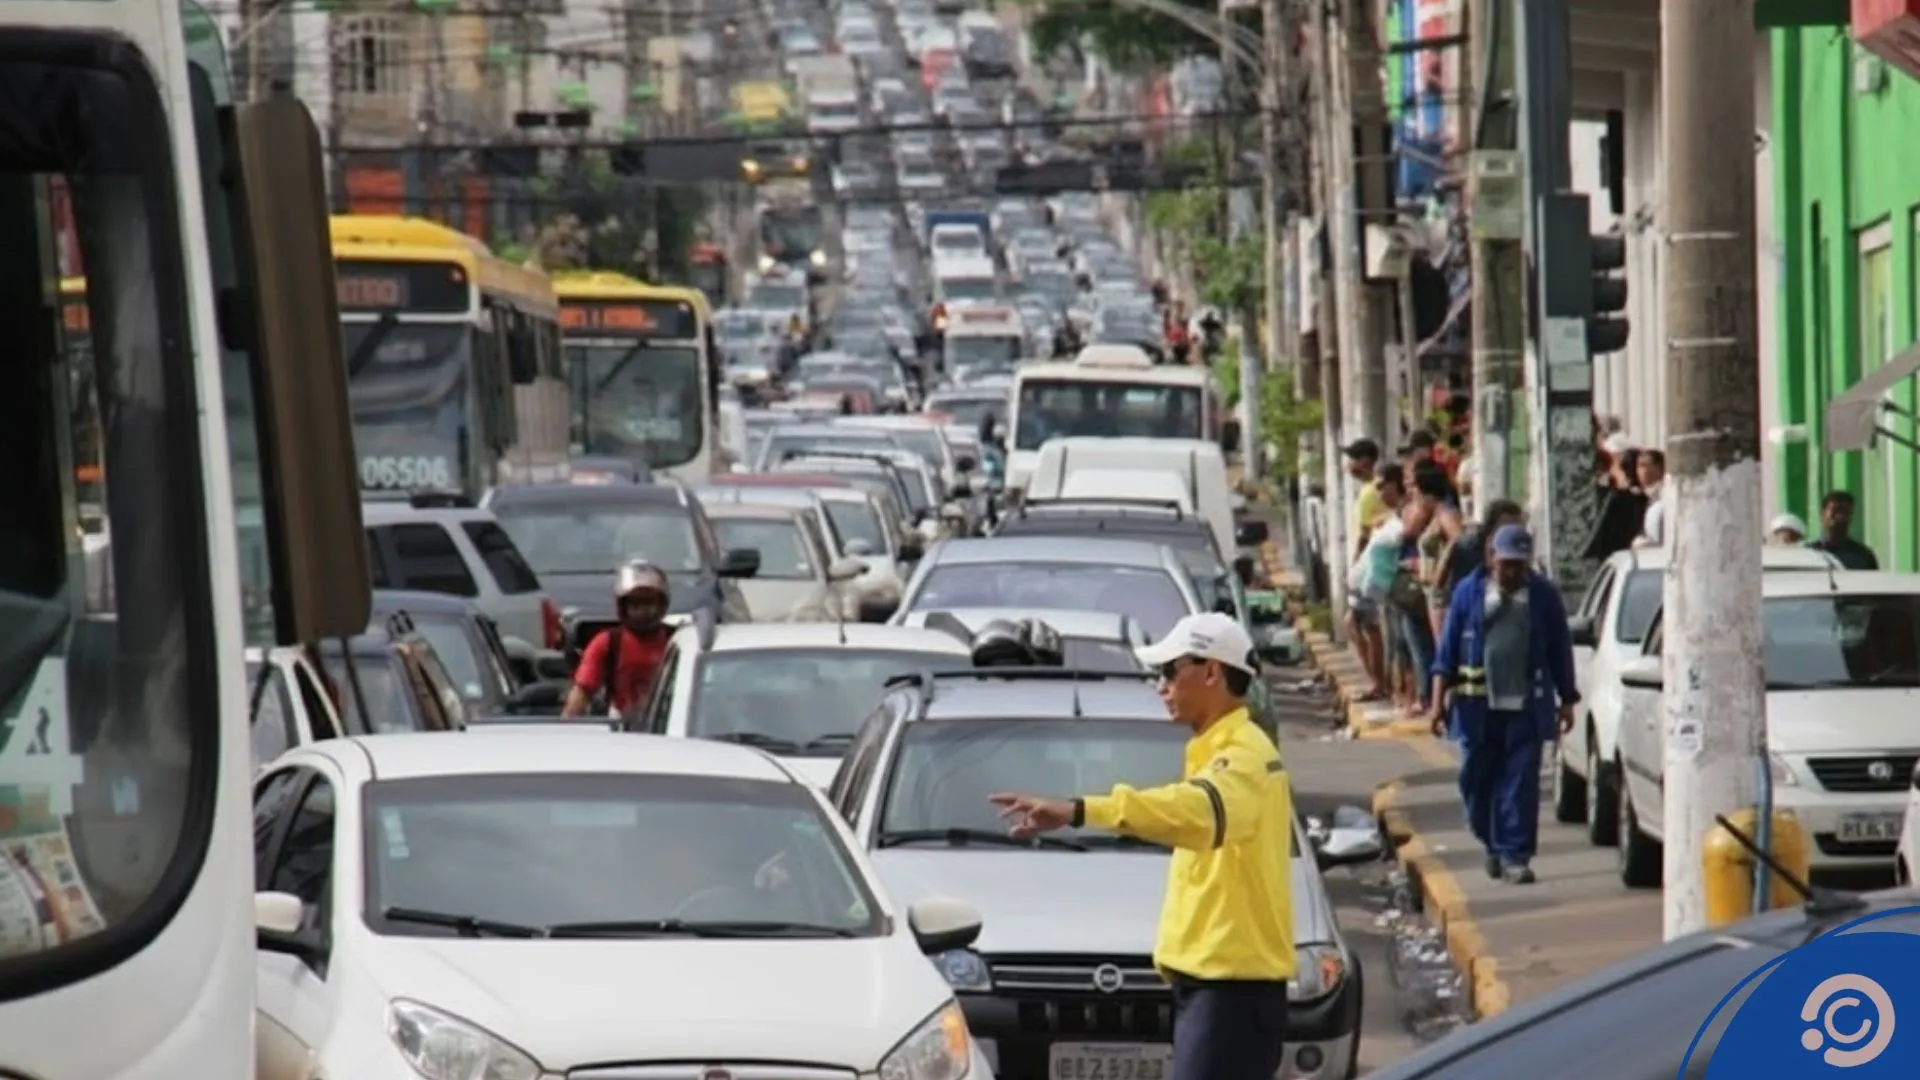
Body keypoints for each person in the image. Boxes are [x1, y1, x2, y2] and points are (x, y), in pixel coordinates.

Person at [989, 612, 1294, 1080]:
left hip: (1231, 992)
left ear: (1211, 672)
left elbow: (1198, 811)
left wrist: (1079, 810)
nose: (1161, 686)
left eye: (1170, 671)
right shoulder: (1218, 750)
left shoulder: (1244, 758)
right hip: (1215, 988)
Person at [1425, 525, 1579, 885]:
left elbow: (1560, 649)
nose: (1511, 572)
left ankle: (1515, 855)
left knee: (1519, 783)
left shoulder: (1543, 596)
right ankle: (1491, 843)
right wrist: (1436, 704)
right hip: (1477, 710)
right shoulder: (1468, 592)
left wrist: (1567, 698)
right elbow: (1445, 653)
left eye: (1518, 565)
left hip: (1526, 707)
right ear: (1491, 558)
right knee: (1476, 783)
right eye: (1505, 563)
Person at [562, 561, 675, 721]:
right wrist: (568, 728)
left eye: (650, 603)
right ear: (623, 606)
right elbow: (582, 692)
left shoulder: (677, 640)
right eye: (636, 604)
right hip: (621, 724)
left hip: (672, 722)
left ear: (661, 605)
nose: (644, 611)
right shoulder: (607, 643)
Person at [1341, 439, 1390, 701]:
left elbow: (1364, 535)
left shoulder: (1371, 493)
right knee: (1365, 625)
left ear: (1365, 461)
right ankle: (1378, 682)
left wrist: (1354, 569)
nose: (1348, 465)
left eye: (1352, 458)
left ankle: (1378, 683)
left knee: (1360, 625)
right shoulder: (1374, 490)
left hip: (1369, 569)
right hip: (1375, 567)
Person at [1808, 490, 1879, 569]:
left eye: (1844, 511)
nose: (1839, 516)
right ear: (1822, 514)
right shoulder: (1808, 553)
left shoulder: (1863, 556)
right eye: (1835, 510)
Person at [1632, 449, 1667, 548]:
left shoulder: (1664, 495)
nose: (1641, 471)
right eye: (1638, 466)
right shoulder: (1642, 496)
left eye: (1645, 465)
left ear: (1659, 468)